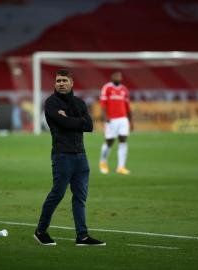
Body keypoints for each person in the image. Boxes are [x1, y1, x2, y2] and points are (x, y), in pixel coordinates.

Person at [34, 69, 106, 246]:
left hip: (81, 156)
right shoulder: (51, 103)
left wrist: (70, 120)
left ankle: (82, 236)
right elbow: (65, 123)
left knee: (80, 197)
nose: (61, 83)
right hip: (62, 155)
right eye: (58, 81)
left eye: (64, 80)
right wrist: (76, 121)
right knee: (57, 193)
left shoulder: (79, 102)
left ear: (71, 83)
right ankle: (40, 231)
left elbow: (89, 126)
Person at [99, 71, 133, 175]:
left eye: (120, 76)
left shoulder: (124, 90)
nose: (118, 77)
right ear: (112, 77)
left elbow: (127, 106)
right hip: (111, 119)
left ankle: (121, 167)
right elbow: (103, 103)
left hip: (123, 119)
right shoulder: (107, 88)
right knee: (109, 141)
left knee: (123, 141)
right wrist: (105, 116)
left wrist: (131, 121)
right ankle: (103, 162)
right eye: (116, 75)